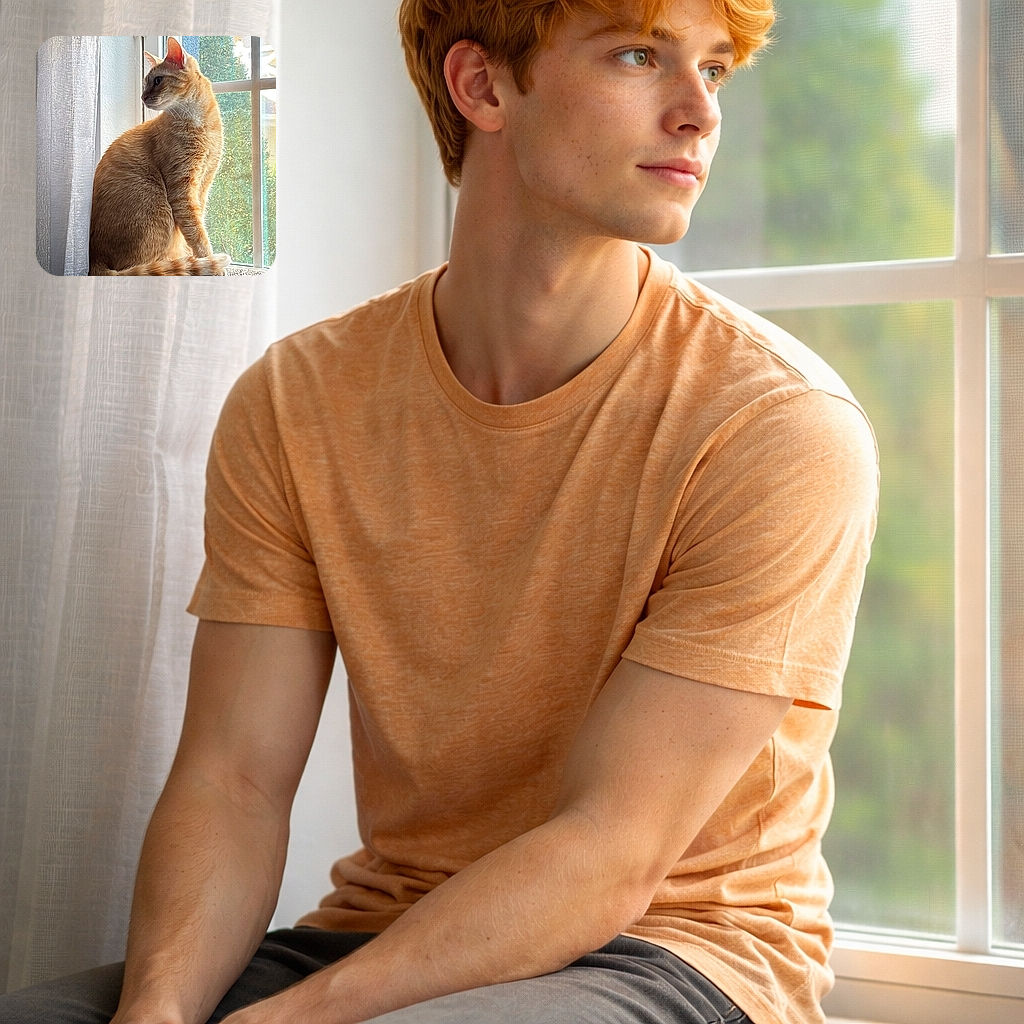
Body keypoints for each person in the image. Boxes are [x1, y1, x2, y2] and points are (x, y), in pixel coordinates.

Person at [1, 1, 878, 1022]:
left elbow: (612, 847)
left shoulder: (774, 423)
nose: (698, 113)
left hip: (668, 948)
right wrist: (152, 1012)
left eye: (715, 70)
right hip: (379, 926)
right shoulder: (299, 399)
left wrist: (296, 1017)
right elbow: (234, 780)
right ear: (482, 86)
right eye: (642, 55)